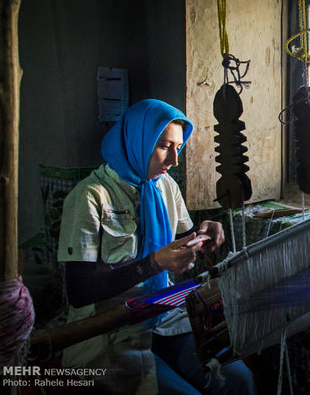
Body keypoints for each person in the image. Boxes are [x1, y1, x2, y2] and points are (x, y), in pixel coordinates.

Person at [57, 99, 256, 395]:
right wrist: (153, 264)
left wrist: (207, 232)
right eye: (164, 146)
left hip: (164, 317)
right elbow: (80, 291)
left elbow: (188, 237)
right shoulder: (89, 197)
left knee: (240, 382)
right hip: (112, 332)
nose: (174, 160)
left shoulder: (165, 186)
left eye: (178, 147)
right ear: (138, 140)